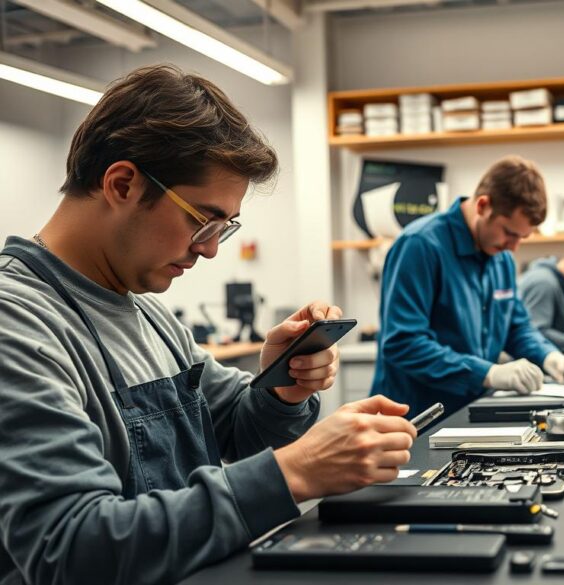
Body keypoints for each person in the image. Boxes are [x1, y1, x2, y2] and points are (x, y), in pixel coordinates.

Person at [0, 65, 417, 585]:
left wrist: (282, 387)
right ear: (122, 184)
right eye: (202, 220)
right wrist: (296, 471)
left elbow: (238, 432)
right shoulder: (17, 326)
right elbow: (71, 548)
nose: (212, 249)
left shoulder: (147, 314)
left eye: (224, 227)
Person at [370, 155, 564, 418]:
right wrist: (487, 373)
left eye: (522, 237)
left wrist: (548, 355)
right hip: (414, 418)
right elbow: (403, 342)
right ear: (483, 205)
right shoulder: (420, 245)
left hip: (469, 411)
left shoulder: (501, 258)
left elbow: (516, 326)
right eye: (510, 233)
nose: (513, 247)